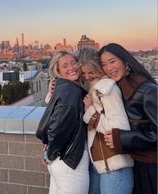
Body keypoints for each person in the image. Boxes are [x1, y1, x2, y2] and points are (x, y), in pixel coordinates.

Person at [99, 43, 157, 194]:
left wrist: (122, 138)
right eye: (104, 64)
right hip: (135, 162)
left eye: (112, 61)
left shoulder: (148, 90)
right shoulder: (116, 89)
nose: (109, 68)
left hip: (151, 166)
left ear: (125, 61)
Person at [77, 47, 134, 194]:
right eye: (83, 73)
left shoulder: (106, 88)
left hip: (115, 165)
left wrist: (90, 112)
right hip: (103, 163)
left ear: (99, 68)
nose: (87, 76)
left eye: (91, 72)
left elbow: (119, 127)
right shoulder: (94, 88)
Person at [36, 50, 89, 194]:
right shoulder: (71, 90)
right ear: (58, 70)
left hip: (60, 160)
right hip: (69, 161)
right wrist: (50, 153)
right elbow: (57, 127)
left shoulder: (63, 87)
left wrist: (49, 152)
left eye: (73, 63)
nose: (71, 67)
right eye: (65, 66)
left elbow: (54, 115)